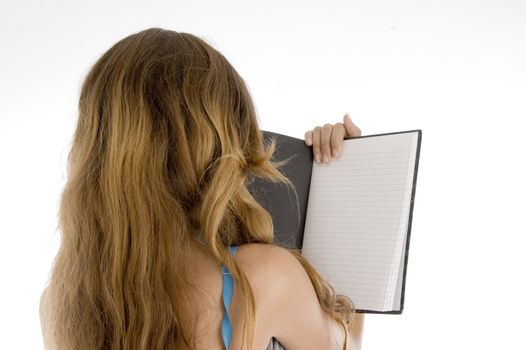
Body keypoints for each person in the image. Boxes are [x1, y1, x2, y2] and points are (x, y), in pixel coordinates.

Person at [39, 28, 364, 350]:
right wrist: (349, 177)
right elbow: (349, 345)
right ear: (222, 141)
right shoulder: (259, 279)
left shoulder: (61, 301)